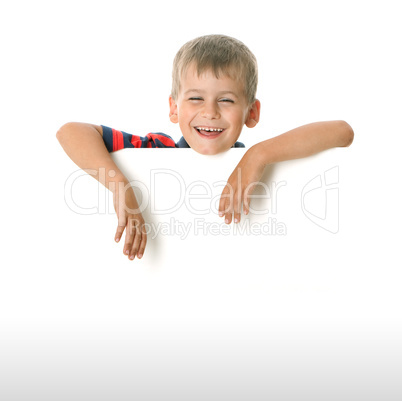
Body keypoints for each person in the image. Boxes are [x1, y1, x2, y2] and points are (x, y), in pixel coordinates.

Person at [56, 34, 354, 261]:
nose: (210, 112)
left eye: (226, 100)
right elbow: (70, 131)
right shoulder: (157, 149)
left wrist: (257, 155)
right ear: (174, 108)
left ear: (252, 113)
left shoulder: (251, 162)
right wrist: (119, 184)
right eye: (196, 98)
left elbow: (342, 132)